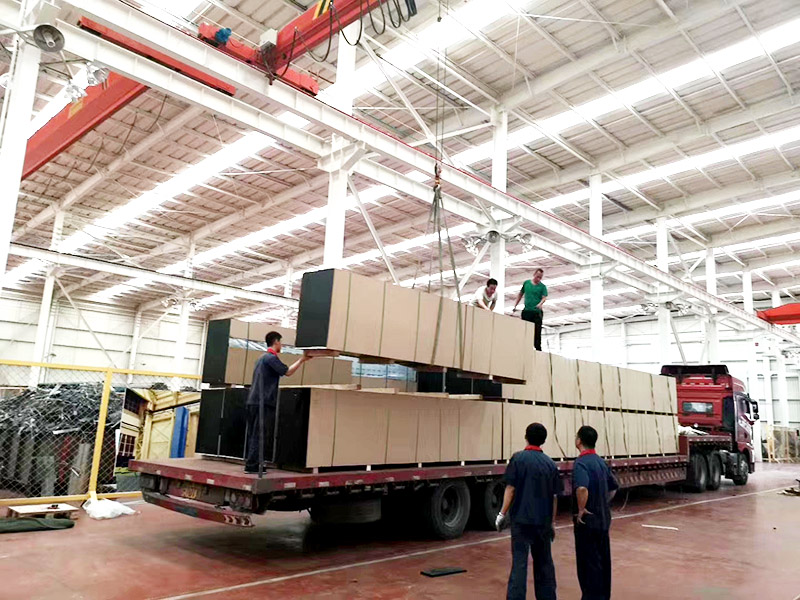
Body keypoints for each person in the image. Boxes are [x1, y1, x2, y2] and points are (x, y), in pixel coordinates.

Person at [496, 422, 562, 600]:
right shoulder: (550, 464)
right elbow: (554, 497)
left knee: (519, 563)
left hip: (521, 521)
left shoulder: (518, 459)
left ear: (526, 437)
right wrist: (552, 523)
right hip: (543, 522)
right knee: (544, 564)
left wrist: (502, 514)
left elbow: (511, 489)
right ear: (544, 440)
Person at [245, 331, 310, 473]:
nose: (282, 345)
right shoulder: (271, 358)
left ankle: (253, 463)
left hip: (254, 401)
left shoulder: (261, 358)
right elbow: (287, 372)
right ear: (276, 342)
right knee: (260, 434)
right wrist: (302, 360)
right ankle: (253, 465)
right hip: (263, 402)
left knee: (254, 433)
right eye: (281, 342)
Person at [572, 426, 619, 600]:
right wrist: (603, 502)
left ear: (579, 441)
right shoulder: (600, 462)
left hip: (588, 522)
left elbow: (582, 488)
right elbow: (613, 487)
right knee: (602, 561)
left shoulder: (581, 463)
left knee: (588, 564)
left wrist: (581, 509)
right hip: (603, 519)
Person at [512, 268, 547, 351]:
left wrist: (540, 304)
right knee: (526, 331)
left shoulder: (542, 287)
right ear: (534, 274)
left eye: (540, 277)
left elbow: (544, 298)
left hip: (536, 312)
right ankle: (525, 347)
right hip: (527, 311)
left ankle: (538, 348)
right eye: (537, 277)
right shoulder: (526, 283)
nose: (538, 279)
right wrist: (515, 305)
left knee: (537, 332)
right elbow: (520, 294)